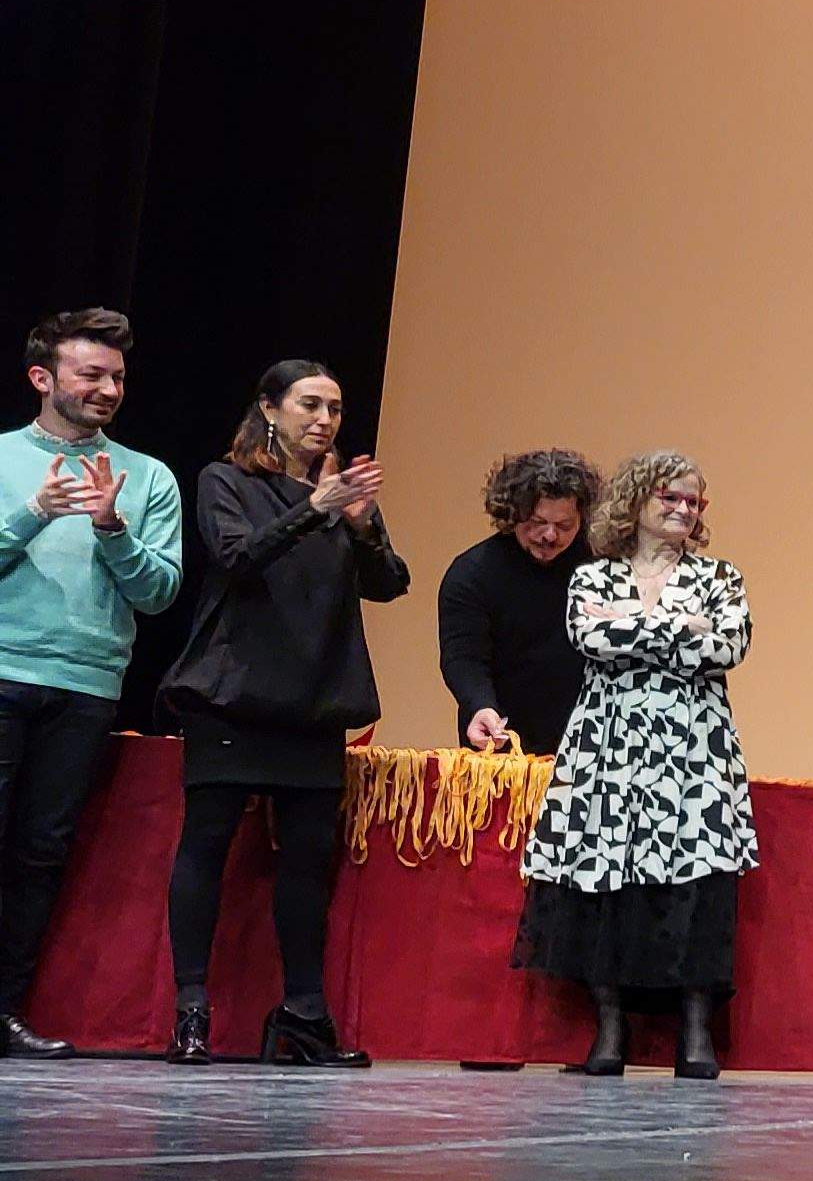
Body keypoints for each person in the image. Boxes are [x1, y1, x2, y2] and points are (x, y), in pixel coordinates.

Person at [157, 360, 406, 1067]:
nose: (324, 420)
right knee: (206, 845)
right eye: (309, 405)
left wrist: (363, 526)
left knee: (307, 859)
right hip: (233, 693)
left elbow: (390, 583)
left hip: (315, 698)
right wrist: (316, 509)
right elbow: (236, 557)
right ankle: (192, 1010)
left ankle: (304, 1012)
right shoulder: (226, 480)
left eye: (335, 408)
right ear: (269, 409)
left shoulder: (338, 494)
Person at [513, 450, 755, 1080]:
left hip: (693, 748)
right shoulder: (593, 578)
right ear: (637, 500)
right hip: (609, 745)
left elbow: (726, 646)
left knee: (696, 882)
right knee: (604, 878)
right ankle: (610, 1030)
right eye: (670, 497)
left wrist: (633, 624)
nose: (684, 509)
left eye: (693, 500)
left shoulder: (719, 577)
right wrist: (680, 627)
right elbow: (589, 638)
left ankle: (696, 1034)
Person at [0, 308, 184, 1059]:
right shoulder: (5, 458)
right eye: (91, 375)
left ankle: (5, 1012)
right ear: (42, 378)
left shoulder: (148, 477)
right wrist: (30, 515)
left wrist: (113, 531)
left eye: (118, 378)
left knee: (40, 854)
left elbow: (160, 593)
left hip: (86, 685)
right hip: (3, 671)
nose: (108, 389)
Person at [439, 448, 600, 754]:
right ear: (512, 513)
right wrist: (480, 706)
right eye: (537, 522)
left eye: (564, 526)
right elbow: (463, 658)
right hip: (501, 742)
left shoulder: (599, 568)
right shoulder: (472, 572)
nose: (549, 535)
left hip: (586, 745)